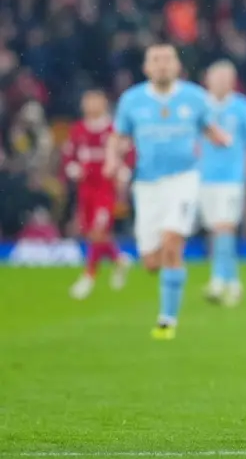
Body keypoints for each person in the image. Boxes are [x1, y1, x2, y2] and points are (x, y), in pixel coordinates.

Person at [104, 44, 230, 340]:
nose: (162, 65)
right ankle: (166, 274)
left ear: (177, 66)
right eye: (156, 60)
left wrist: (222, 139)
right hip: (147, 185)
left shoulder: (195, 97)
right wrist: (112, 160)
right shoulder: (132, 100)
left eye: (167, 59)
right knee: (151, 262)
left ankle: (166, 320)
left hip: (183, 180)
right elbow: (118, 136)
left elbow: (209, 128)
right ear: (146, 68)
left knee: (172, 242)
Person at [198, 60, 246, 307]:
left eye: (227, 78)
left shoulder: (242, 107)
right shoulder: (199, 105)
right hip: (204, 177)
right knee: (217, 231)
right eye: (218, 77)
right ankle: (232, 282)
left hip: (233, 178)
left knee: (224, 227)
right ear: (208, 79)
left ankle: (220, 281)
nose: (222, 82)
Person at [65, 89, 131, 299]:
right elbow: (69, 155)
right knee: (92, 232)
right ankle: (119, 260)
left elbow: (128, 153)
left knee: (98, 230)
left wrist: (124, 171)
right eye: (88, 102)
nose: (91, 106)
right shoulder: (78, 130)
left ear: (104, 104)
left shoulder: (113, 129)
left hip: (106, 187)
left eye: (95, 101)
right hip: (86, 188)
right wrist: (73, 168)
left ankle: (89, 275)